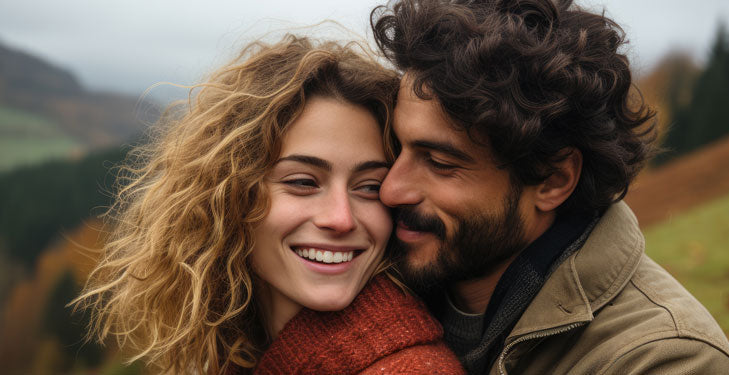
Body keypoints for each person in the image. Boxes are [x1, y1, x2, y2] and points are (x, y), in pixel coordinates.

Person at [370, 0, 729, 374]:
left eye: (440, 163)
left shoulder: (660, 357)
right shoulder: (361, 280)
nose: (391, 190)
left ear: (553, 180)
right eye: (396, 148)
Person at [75, 35, 465, 374]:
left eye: (368, 187)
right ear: (227, 197)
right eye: (302, 183)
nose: (340, 218)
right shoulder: (245, 355)